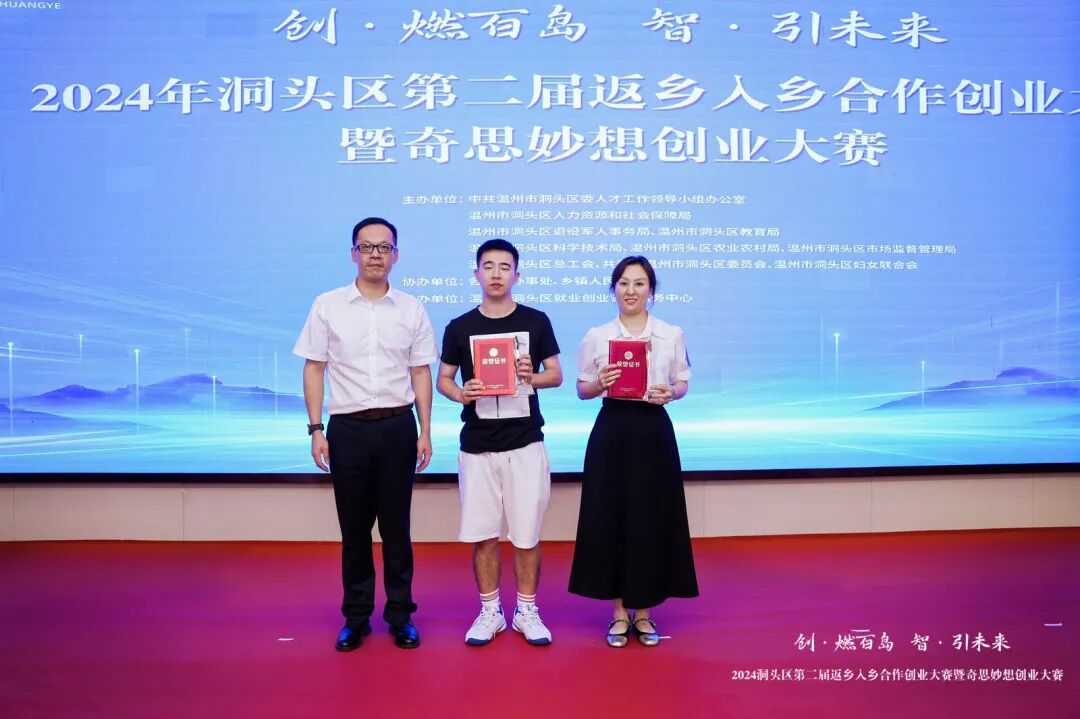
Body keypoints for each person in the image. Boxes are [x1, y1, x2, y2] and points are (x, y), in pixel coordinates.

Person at [293, 217, 436, 651]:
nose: (376, 254)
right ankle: (356, 618)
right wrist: (316, 429)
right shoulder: (328, 305)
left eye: (384, 247)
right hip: (348, 430)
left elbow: (420, 372)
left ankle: (400, 616)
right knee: (354, 532)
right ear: (353, 253)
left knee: (397, 530)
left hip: (397, 427)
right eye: (367, 247)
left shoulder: (411, 308)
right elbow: (314, 368)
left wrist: (425, 430)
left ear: (396, 255)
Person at [437, 239, 563, 647]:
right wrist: (462, 393)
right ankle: (490, 612)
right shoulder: (459, 327)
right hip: (477, 445)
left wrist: (530, 376)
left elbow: (556, 375)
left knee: (526, 535)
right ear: (476, 273)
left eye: (504, 267)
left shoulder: (536, 321)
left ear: (516, 275)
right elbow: (444, 379)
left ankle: (527, 611)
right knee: (483, 534)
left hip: (525, 443)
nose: (496, 274)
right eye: (488, 266)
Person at [568, 255, 699, 647]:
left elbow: (682, 381)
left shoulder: (671, 333)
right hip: (612, 430)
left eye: (639, 283)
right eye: (623, 283)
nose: (631, 291)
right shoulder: (598, 335)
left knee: (650, 518)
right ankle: (618, 614)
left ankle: (644, 614)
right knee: (612, 517)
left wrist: (671, 392)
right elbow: (582, 389)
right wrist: (600, 384)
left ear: (651, 290)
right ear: (613, 289)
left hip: (653, 430)